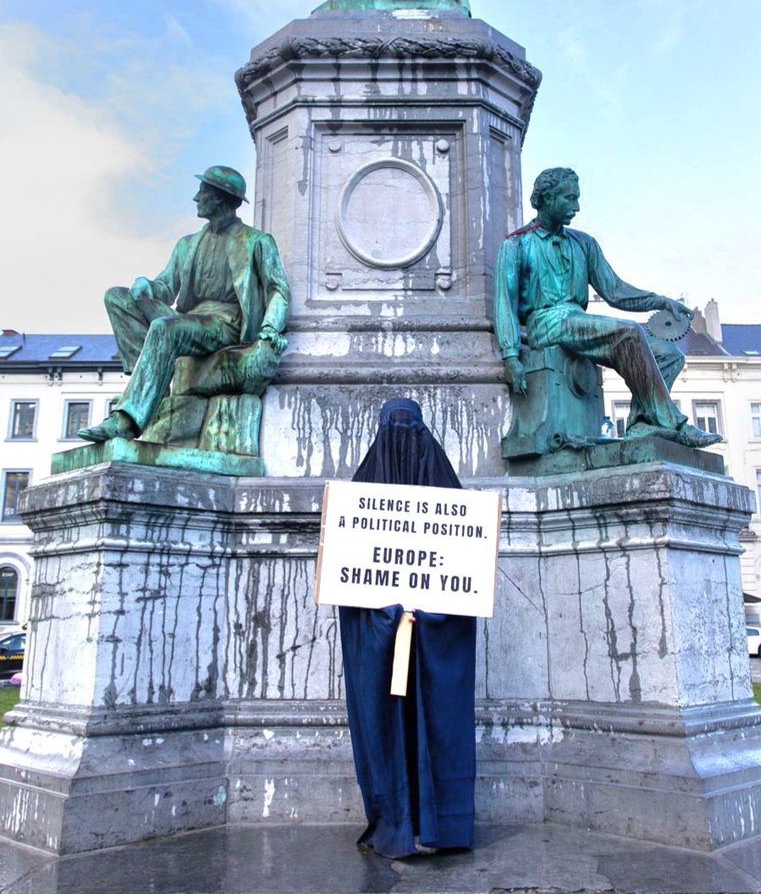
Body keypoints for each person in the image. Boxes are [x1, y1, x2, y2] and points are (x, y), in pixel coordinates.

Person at [494, 167, 722, 449]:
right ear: (546, 198)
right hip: (545, 322)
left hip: (577, 321)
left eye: (577, 198)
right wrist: (510, 355)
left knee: (670, 354)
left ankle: (642, 424)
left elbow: (615, 291)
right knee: (627, 333)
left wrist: (660, 300)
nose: (576, 207)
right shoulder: (517, 243)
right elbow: (505, 300)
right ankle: (675, 424)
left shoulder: (584, 243)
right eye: (569, 198)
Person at [339, 398, 476, 858]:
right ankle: (391, 821)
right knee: (383, 726)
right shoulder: (357, 502)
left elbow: (464, 577)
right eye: (395, 433)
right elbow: (349, 584)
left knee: (435, 725)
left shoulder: (450, 498)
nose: (402, 443)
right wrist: (385, 611)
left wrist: (428, 609)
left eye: (410, 433)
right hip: (384, 636)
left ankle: (443, 824)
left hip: (432, 634)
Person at [78, 166, 290, 443]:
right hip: (189, 319)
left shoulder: (256, 241)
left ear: (220, 198)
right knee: (116, 297)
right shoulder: (187, 244)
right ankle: (149, 387)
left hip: (224, 323)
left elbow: (279, 289)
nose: (196, 197)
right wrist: (148, 286)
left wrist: (270, 327)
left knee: (167, 328)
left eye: (203, 191)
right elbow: (166, 288)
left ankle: (126, 421)